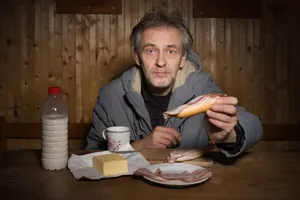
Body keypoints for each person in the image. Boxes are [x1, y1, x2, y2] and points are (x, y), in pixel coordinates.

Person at [85, 8, 263, 157]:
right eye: (151, 51)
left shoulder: (201, 86)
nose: (161, 62)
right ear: (137, 57)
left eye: (170, 52)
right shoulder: (110, 97)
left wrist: (230, 136)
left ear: (183, 58)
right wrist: (139, 146)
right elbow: (91, 156)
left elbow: (253, 125)